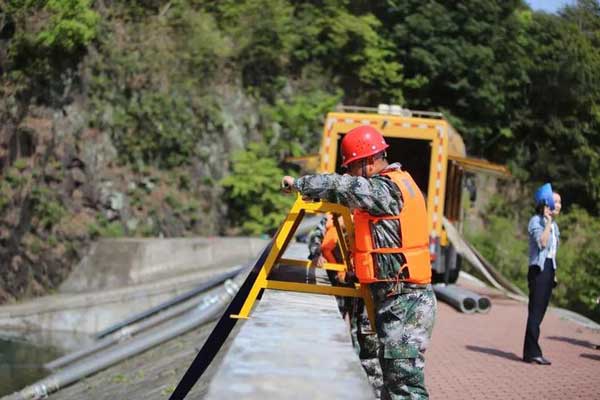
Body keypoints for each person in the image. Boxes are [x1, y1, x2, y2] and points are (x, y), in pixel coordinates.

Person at [282, 125, 436, 400]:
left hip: (404, 301)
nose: (350, 173)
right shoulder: (399, 184)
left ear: (368, 161)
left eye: (352, 167)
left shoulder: (386, 189)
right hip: (397, 298)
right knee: (392, 384)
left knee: (404, 387)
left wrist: (300, 184)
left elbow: (342, 186)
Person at [307, 214, 384, 398]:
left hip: (361, 285)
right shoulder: (330, 217)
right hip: (337, 282)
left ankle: (366, 385)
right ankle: (333, 374)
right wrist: (316, 253)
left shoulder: (367, 216)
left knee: (363, 336)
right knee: (331, 331)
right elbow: (315, 238)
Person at [523, 184, 561, 365]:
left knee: (540, 313)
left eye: (560, 202)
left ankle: (530, 352)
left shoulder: (555, 226)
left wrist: (554, 273)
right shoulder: (536, 221)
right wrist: (547, 223)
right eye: (556, 202)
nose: (559, 205)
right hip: (538, 270)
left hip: (548, 270)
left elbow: (552, 252)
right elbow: (543, 244)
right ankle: (533, 352)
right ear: (546, 204)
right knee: (535, 313)